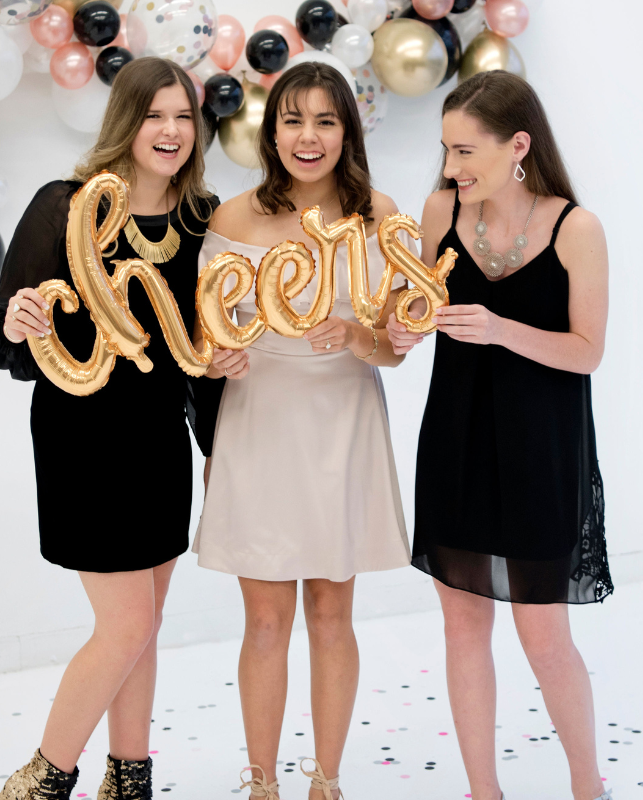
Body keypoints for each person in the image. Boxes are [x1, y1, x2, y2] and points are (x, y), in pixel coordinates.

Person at [0, 57, 232, 800]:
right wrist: (19, 322)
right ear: (126, 122)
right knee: (124, 626)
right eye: (155, 116)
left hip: (157, 445)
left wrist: (224, 376)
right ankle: (41, 780)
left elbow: (199, 353)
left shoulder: (199, 221)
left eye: (184, 116)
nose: (172, 131)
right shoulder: (67, 206)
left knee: (144, 624)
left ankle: (131, 779)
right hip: (82, 441)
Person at [387, 70, 613, 800]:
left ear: (518, 145)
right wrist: (400, 326)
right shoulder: (439, 210)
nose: (451, 168)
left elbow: (587, 351)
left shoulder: (576, 227)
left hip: (543, 448)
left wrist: (499, 329)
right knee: (462, 628)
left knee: (545, 637)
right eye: (446, 151)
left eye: (464, 151)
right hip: (455, 437)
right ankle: (483, 792)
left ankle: (588, 786)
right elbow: (411, 313)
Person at [192, 62, 411, 800]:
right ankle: (261, 783)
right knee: (264, 616)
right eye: (293, 120)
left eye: (325, 120)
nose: (307, 136)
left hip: (341, 420)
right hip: (258, 419)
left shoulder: (379, 217)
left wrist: (357, 336)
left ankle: (327, 779)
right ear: (271, 130)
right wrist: (217, 359)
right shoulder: (232, 218)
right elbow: (204, 340)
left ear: (347, 130)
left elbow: (397, 347)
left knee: (330, 610)